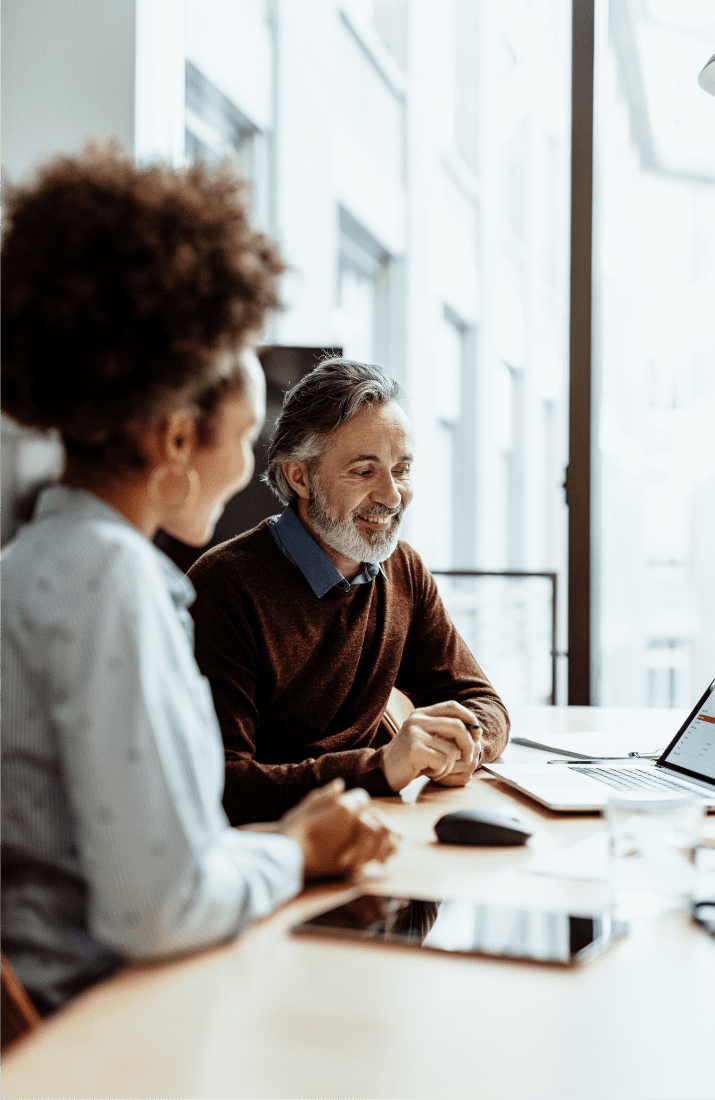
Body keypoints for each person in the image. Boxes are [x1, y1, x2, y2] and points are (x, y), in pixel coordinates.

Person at [0, 147, 397, 1016]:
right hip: (101, 1020)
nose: (254, 463)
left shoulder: (34, 561)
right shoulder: (111, 583)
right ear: (179, 441)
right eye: (248, 434)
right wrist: (298, 848)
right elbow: (162, 907)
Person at [189, 358, 510, 825]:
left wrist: (466, 743)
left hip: (377, 830)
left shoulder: (402, 569)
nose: (392, 495)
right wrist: (381, 767)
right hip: (281, 854)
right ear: (299, 477)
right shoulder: (221, 588)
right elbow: (223, 785)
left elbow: (484, 702)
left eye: (401, 470)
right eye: (364, 472)